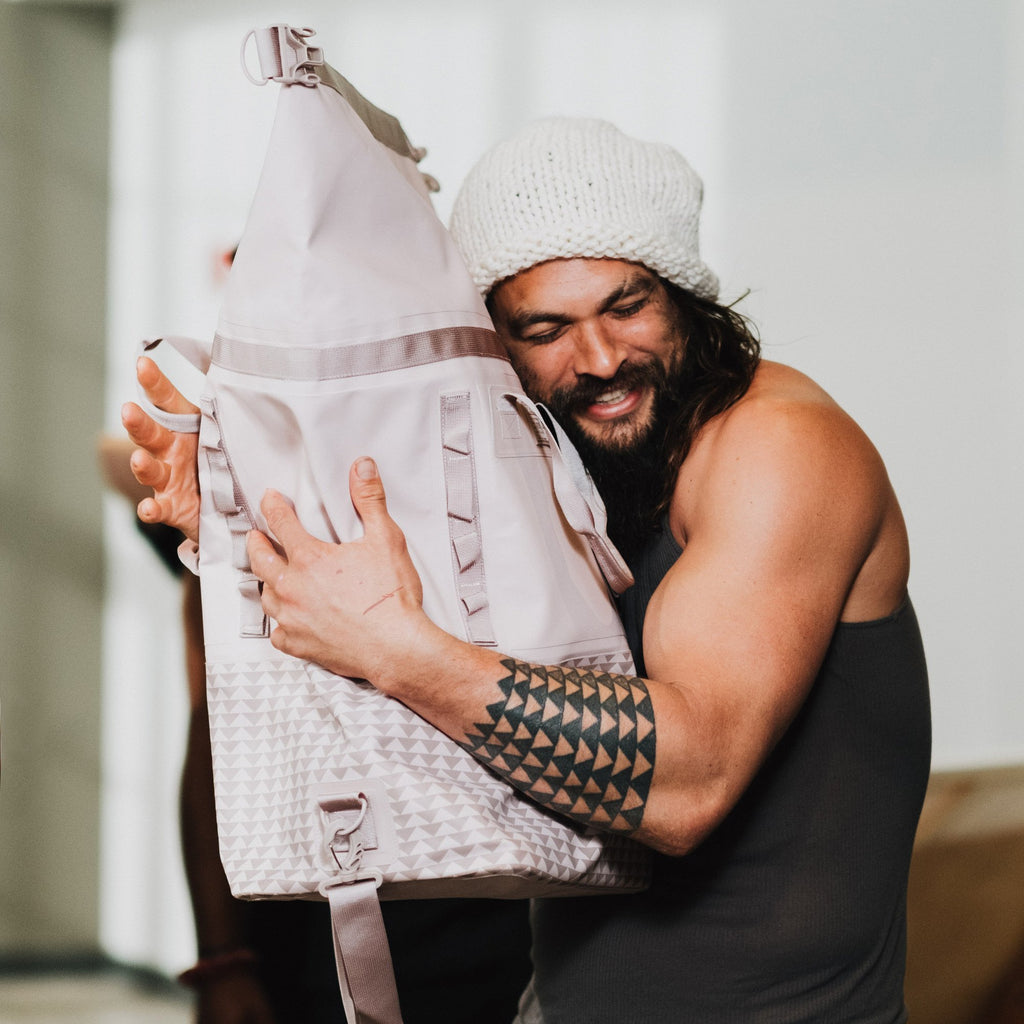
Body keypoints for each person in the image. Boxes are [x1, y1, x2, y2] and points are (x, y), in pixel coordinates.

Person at [125, 117, 931, 1023]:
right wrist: (239, 525)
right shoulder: (573, 465)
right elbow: (422, 698)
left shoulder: (778, 447)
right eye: (545, 329)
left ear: (685, 294)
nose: (598, 360)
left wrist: (403, 652)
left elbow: (687, 781)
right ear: (495, 347)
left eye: (627, 307)